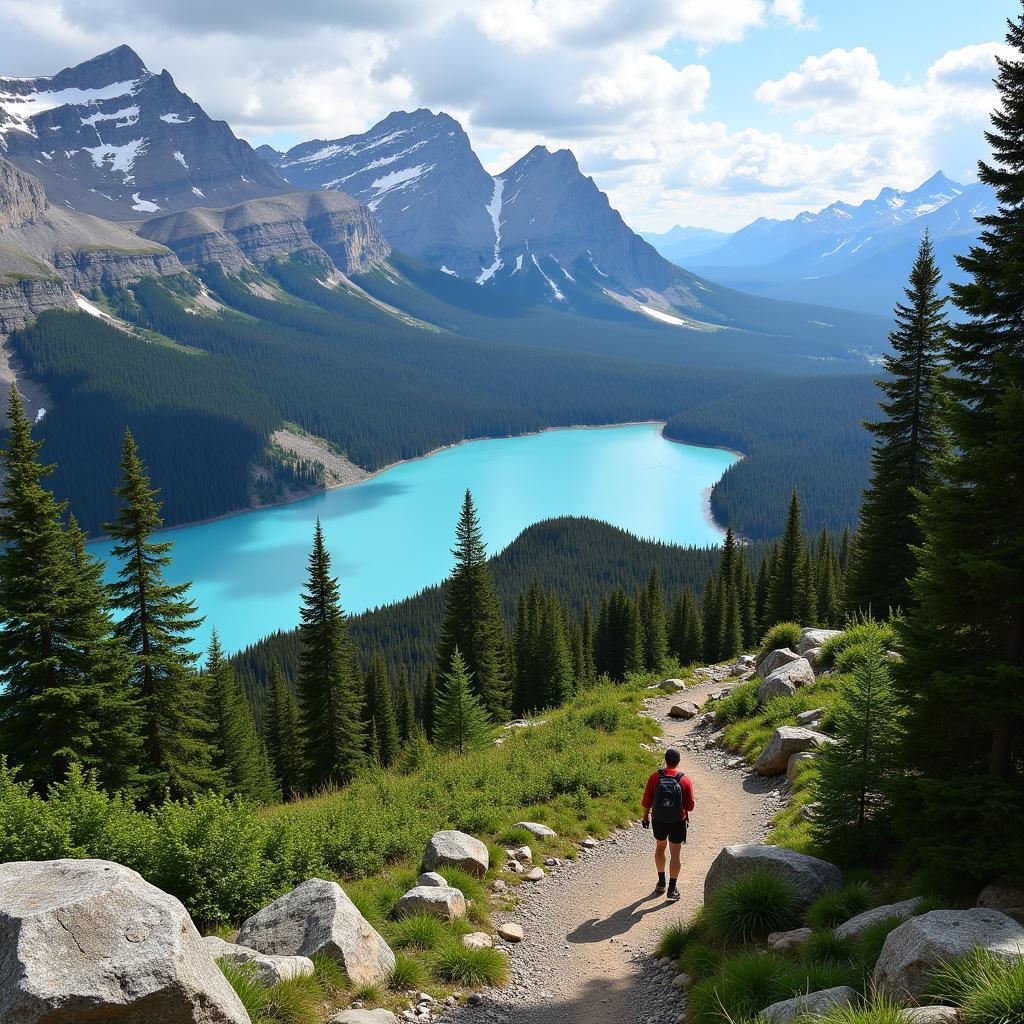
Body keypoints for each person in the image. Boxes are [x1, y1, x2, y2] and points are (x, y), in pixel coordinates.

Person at [641, 747, 694, 901]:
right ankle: (672, 888)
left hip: (659, 820)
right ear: (678, 762)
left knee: (660, 847)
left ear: (665, 760)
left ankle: (661, 882)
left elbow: (646, 802)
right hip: (678, 821)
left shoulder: (655, 777)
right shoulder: (684, 780)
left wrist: (646, 817)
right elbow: (690, 806)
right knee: (675, 853)